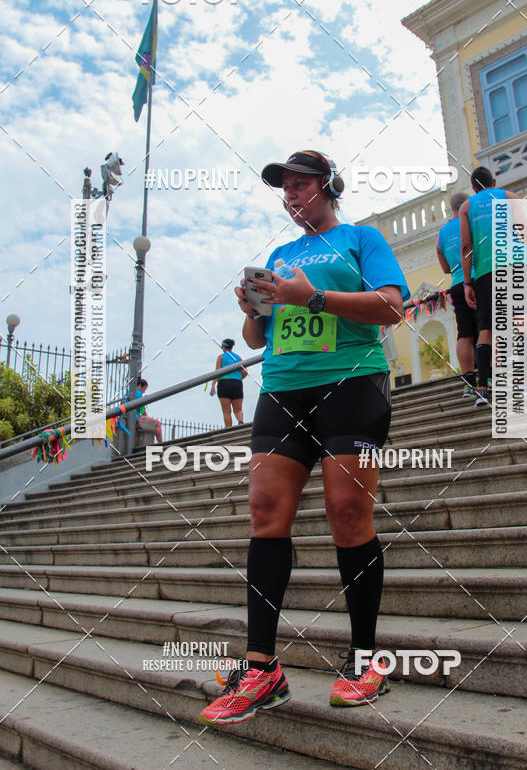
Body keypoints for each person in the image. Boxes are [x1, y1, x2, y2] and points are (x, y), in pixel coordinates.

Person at [199, 149, 410, 726]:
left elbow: (393, 308)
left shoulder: (361, 239)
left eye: (301, 185)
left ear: (329, 186)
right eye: (285, 189)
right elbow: (256, 331)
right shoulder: (280, 254)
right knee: (265, 511)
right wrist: (251, 305)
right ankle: (261, 667)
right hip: (284, 386)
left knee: (347, 512)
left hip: (353, 382)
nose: (292, 196)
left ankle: (365, 659)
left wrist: (312, 296)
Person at [459, 166, 527, 407]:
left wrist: (467, 282)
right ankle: (524, 384)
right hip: (514, 265)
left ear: (473, 187)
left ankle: (482, 390)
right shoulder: (510, 197)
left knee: (487, 328)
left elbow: (466, 247)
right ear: (494, 182)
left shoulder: (466, 207)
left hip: (486, 272)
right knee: (521, 321)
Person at [437, 192, 477, 398]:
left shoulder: (442, 233)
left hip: (457, 283)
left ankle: (469, 382)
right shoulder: (469, 220)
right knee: (490, 328)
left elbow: (444, 267)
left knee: (465, 333)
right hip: (477, 277)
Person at [210, 338, 248, 426]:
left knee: (226, 412)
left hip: (224, 383)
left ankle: (229, 430)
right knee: (238, 410)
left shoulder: (221, 357)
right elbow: (245, 372)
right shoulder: (238, 357)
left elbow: (217, 373)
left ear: (224, 346)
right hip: (237, 383)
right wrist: (239, 378)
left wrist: (213, 386)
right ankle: (240, 422)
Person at [135, 378, 163, 443]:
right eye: (144, 389)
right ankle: (161, 443)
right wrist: (146, 417)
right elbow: (142, 411)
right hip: (136, 417)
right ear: (139, 386)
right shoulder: (139, 394)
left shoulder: (128, 393)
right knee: (157, 423)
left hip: (126, 417)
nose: (144, 392)